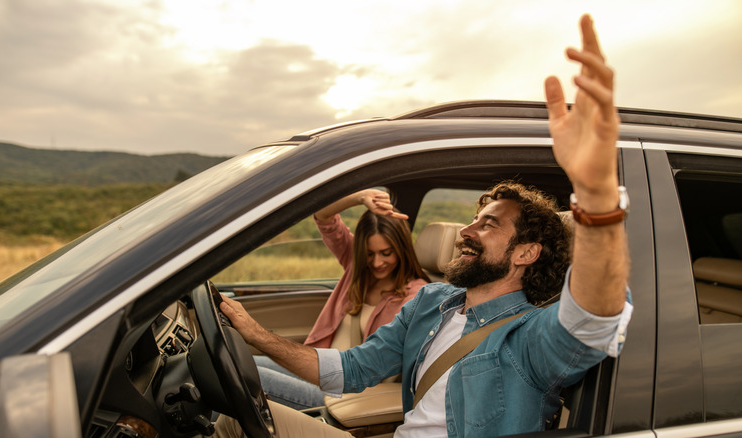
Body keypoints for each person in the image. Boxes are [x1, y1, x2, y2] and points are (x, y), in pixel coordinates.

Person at [214, 13, 632, 438]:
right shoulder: (432, 302)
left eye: (487, 225)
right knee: (231, 423)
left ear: (526, 253)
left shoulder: (527, 338)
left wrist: (598, 198)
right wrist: (255, 335)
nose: (466, 232)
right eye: (473, 220)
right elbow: (352, 368)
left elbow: (593, 318)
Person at [254, 189, 430, 409]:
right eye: (369, 253)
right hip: (316, 369)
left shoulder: (417, 296)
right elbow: (323, 217)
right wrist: (360, 197)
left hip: (350, 391)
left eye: (386, 253)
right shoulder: (356, 267)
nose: (376, 263)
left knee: (254, 377)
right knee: (244, 363)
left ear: (402, 249)